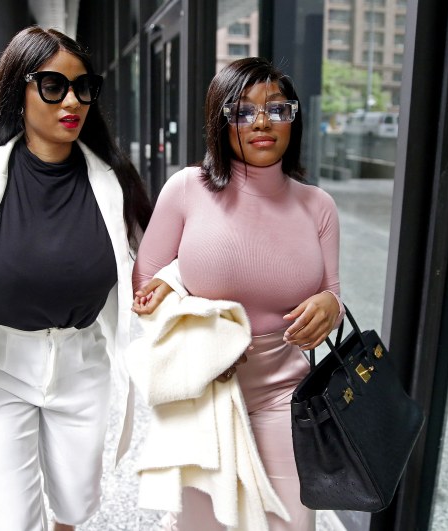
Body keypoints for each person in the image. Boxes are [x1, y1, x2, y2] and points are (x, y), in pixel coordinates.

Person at [0, 26, 151, 531]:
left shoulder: (112, 180)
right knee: (8, 518)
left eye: (83, 87)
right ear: (19, 89)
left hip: (83, 367)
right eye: (53, 85)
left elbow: (156, 263)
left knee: (75, 506)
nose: (72, 101)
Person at [132, 57, 343, 531]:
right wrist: (204, 337)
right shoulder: (188, 189)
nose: (262, 122)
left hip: (284, 395)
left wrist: (330, 306)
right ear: (220, 121)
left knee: (292, 524)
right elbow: (145, 286)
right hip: (201, 393)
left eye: (276, 109)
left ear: (294, 119)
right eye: (242, 111)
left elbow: (332, 292)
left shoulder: (318, 207)